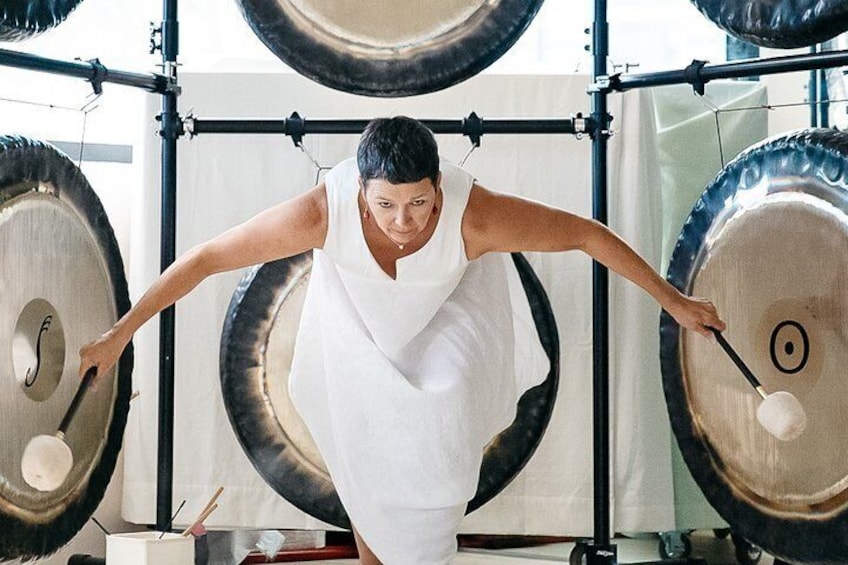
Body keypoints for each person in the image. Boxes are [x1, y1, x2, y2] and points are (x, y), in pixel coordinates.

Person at [79, 116, 724, 564]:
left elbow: (586, 233)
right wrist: (116, 336)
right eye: (386, 206)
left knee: (438, 427)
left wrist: (677, 302)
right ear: (362, 191)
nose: (404, 223)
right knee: (362, 440)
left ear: (438, 186)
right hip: (356, 318)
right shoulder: (323, 210)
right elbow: (208, 258)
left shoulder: (475, 214)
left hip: (457, 309)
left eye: (418, 204)